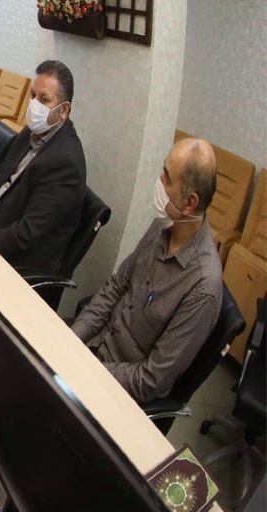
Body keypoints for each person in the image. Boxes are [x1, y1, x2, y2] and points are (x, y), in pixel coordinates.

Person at [71, 138, 222, 404]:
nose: (159, 182)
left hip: (116, 391)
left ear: (190, 203)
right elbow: (116, 286)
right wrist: (73, 337)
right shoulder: (163, 225)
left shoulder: (203, 287)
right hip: (93, 348)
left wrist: (88, 370)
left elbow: (151, 380)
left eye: (167, 178)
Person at [0, 60, 86, 277]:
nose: (34, 105)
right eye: (32, 96)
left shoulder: (66, 163)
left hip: (8, 261)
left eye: (44, 99)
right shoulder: (29, 133)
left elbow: (26, 234)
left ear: (64, 110)